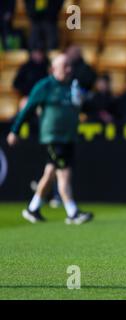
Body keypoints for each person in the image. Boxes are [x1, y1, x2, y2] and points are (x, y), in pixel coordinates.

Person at [6, 54, 93, 225]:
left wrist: (82, 100)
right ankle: (72, 212)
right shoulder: (45, 86)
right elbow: (28, 109)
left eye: (69, 66)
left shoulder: (72, 86)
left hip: (68, 136)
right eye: (65, 66)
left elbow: (85, 105)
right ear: (53, 69)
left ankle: (33, 208)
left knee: (50, 173)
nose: (69, 70)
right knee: (64, 172)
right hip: (53, 136)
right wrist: (14, 130)